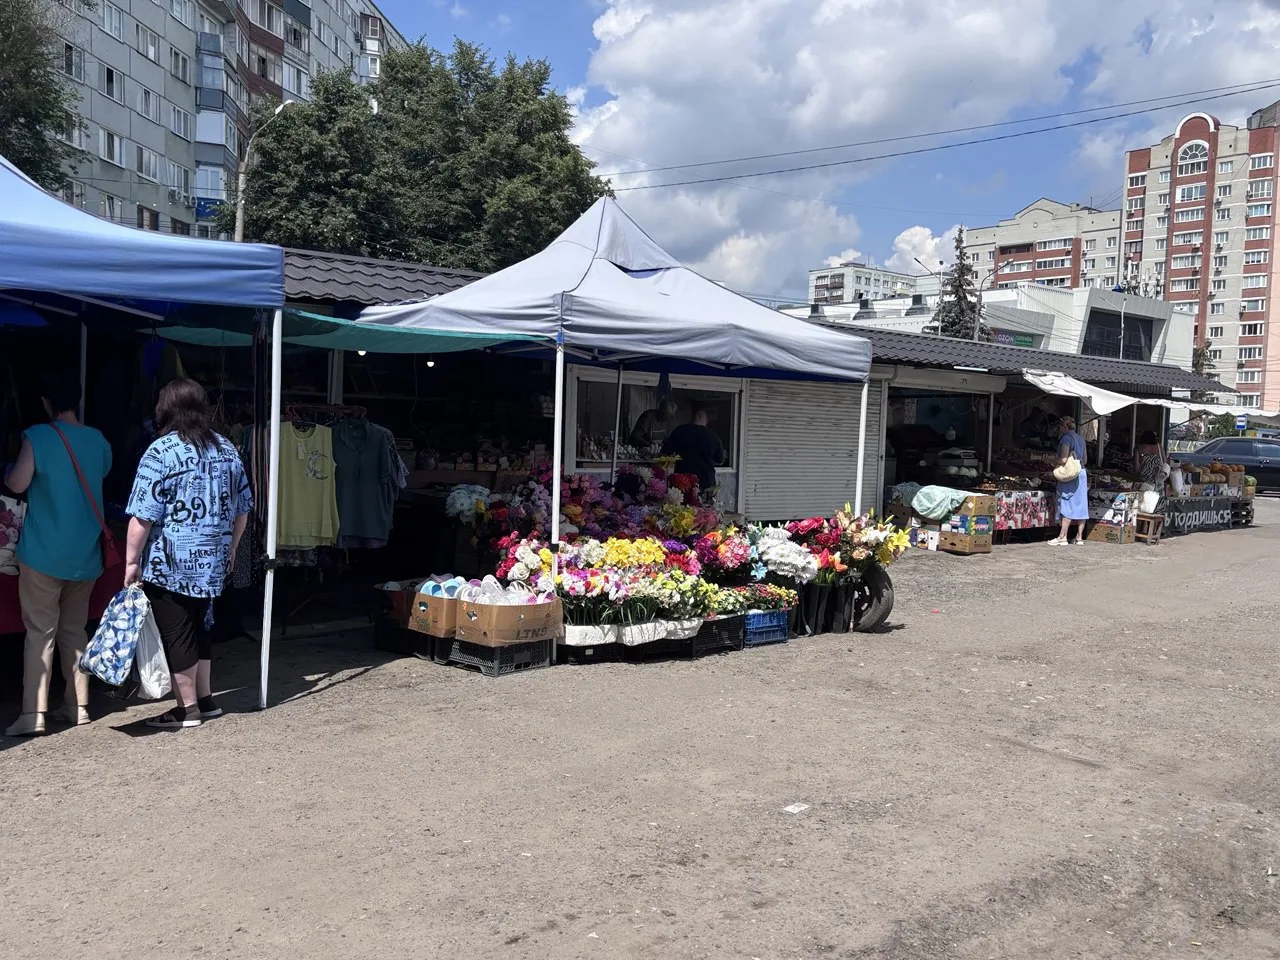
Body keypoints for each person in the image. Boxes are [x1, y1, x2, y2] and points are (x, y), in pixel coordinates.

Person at [125, 378, 252, 730]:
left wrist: (131, 561)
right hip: (213, 561)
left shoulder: (161, 451)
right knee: (200, 626)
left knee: (177, 631)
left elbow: (142, 515)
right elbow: (243, 508)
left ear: (165, 408)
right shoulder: (226, 448)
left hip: (169, 562)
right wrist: (231, 548)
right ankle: (206, 699)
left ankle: (187, 709)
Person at [4, 373, 112, 737]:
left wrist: (9, 469)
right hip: (85, 554)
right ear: (77, 401)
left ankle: (33, 714)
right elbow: (102, 475)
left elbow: (17, 483)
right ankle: (78, 706)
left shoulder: (37, 436)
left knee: (40, 633)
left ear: (46, 402)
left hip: (43, 553)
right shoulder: (98, 440)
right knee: (74, 630)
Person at [661, 407, 725, 494]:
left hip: (682, 481)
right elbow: (720, 460)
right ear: (707, 420)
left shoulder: (679, 431)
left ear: (693, 418)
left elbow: (666, 452)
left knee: (679, 502)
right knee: (705, 502)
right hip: (706, 482)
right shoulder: (714, 437)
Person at [1049, 415, 1089, 546]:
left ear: (1064, 426)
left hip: (1071, 474)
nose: (1059, 428)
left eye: (1060, 425)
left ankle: (1062, 537)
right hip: (1081, 472)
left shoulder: (1066, 438)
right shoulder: (1080, 438)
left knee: (1067, 503)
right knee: (1081, 504)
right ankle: (1079, 537)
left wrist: (1051, 460)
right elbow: (1085, 460)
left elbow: (1063, 459)